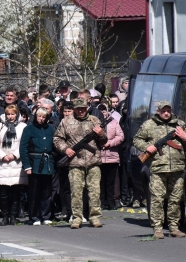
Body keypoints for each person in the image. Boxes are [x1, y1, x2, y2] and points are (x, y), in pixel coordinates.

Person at [133, 100, 186, 239]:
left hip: (177, 168)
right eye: (163, 111)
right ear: (158, 111)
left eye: (168, 110)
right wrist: (147, 147)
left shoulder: (179, 125)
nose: (166, 113)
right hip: (158, 168)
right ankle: (158, 228)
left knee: (175, 199)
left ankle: (174, 227)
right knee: (157, 199)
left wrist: (185, 138)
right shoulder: (149, 125)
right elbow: (136, 140)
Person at [54, 98, 108, 229]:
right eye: (78, 109)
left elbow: (103, 142)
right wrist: (65, 149)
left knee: (94, 191)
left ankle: (94, 217)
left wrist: (101, 134)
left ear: (87, 108)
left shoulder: (95, 120)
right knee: (76, 191)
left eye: (83, 109)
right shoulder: (66, 121)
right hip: (75, 162)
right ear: (74, 109)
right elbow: (57, 138)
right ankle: (77, 217)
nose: (81, 111)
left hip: (93, 161)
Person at [0, 104, 28, 225]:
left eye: (13, 114)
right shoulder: (0, 126)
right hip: (3, 163)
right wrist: (2, 155)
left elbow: (24, 143)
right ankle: (5, 216)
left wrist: (14, 155)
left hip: (17, 163)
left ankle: (13, 216)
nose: (10, 117)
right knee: (3, 193)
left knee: (16, 192)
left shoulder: (23, 127)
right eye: (8, 114)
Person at [20, 106, 55, 225]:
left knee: (47, 191)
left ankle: (46, 215)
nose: (41, 119)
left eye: (43, 117)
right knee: (34, 192)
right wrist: (27, 166)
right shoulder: (29, 129)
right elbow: (23, 148)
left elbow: (54, 147)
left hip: (47, 162)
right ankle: (34, 216)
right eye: (39, 116)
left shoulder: (50, 129)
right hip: (34, 162)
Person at [99, 112, 124, 210]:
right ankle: (101, 202)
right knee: (100, 182)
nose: (103, 113)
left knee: (111, 181)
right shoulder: (96, 123)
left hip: (112, 157)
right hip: (99, 157)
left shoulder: (114, 123)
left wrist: (110, 143)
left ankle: (111, 202)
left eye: (104, 110)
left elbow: (121, 136)